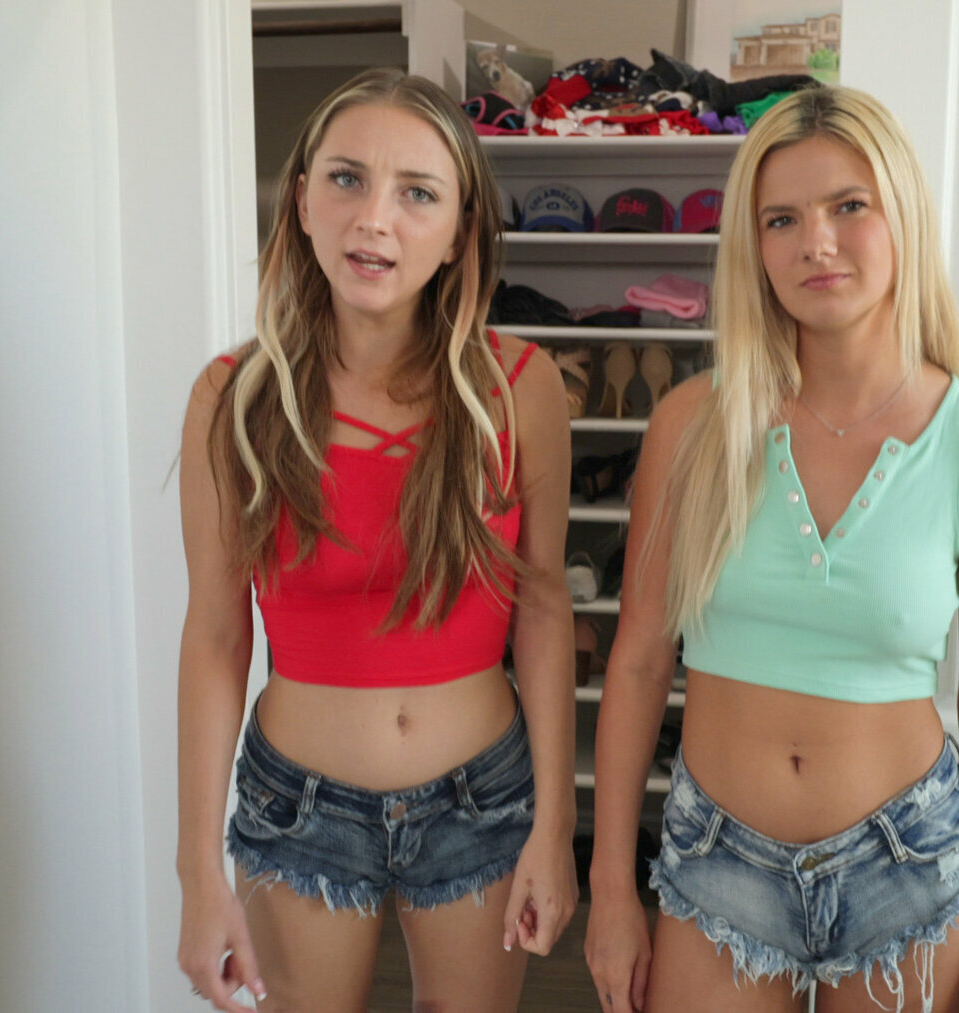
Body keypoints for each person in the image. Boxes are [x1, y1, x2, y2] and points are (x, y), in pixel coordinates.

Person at [584, 85, 959, 1013]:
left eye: (848, 206)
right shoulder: (692, 425)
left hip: (909, 871)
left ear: (902, 215)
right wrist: (608, 889)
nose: (816, 243)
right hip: (715, 862)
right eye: (782, 219)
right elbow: (635, 663)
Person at [175, 68, 576, 1013]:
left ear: (460, 233)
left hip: (482, 796)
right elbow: (216, 636)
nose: (374, 219)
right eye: (347, 178)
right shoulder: (232, 398)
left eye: (417, 193)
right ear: (301, 201)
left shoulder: (522, 387)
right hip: (297, 804)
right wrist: (196, 870)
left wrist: (556, 825)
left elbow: (545, 609)